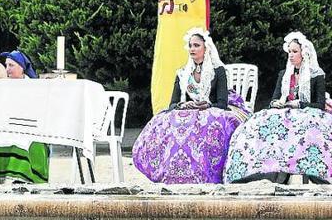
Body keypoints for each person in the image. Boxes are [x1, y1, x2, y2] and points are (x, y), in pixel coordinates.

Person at [132, 28, 247, 184]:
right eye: (190, 45)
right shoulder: (183, 73)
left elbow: (222, 103)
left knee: (211, 123)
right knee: (165, 121)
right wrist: (184, 104)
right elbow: (172, 104)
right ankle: (171, 173)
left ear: (206, 48)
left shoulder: (218, 71)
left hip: (210, 110)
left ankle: (206, 173)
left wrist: (207, 105)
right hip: (187, 111)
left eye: (196, 45)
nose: (192, 49)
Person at [224, 32, 332, 184]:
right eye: (289, 52)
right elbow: (274, 98)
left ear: (304, 53)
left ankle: (307, 172)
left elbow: (319, 104)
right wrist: (276, 103)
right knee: (258, 123)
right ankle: (261, 171)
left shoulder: (316, 75)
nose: (291, 55)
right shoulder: (284, 74)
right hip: (285, 112)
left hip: (307, 113)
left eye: (295, 51)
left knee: (308, 127)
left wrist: (299, 104)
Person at [0, 50, 50, 184]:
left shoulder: (33, 87)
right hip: (3, 126)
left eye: (11, 66)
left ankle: (20, 179)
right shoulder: (2, 85)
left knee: (21, 142)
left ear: (22, 68)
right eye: (6, 66)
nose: (7, 69)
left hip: (27, 127)